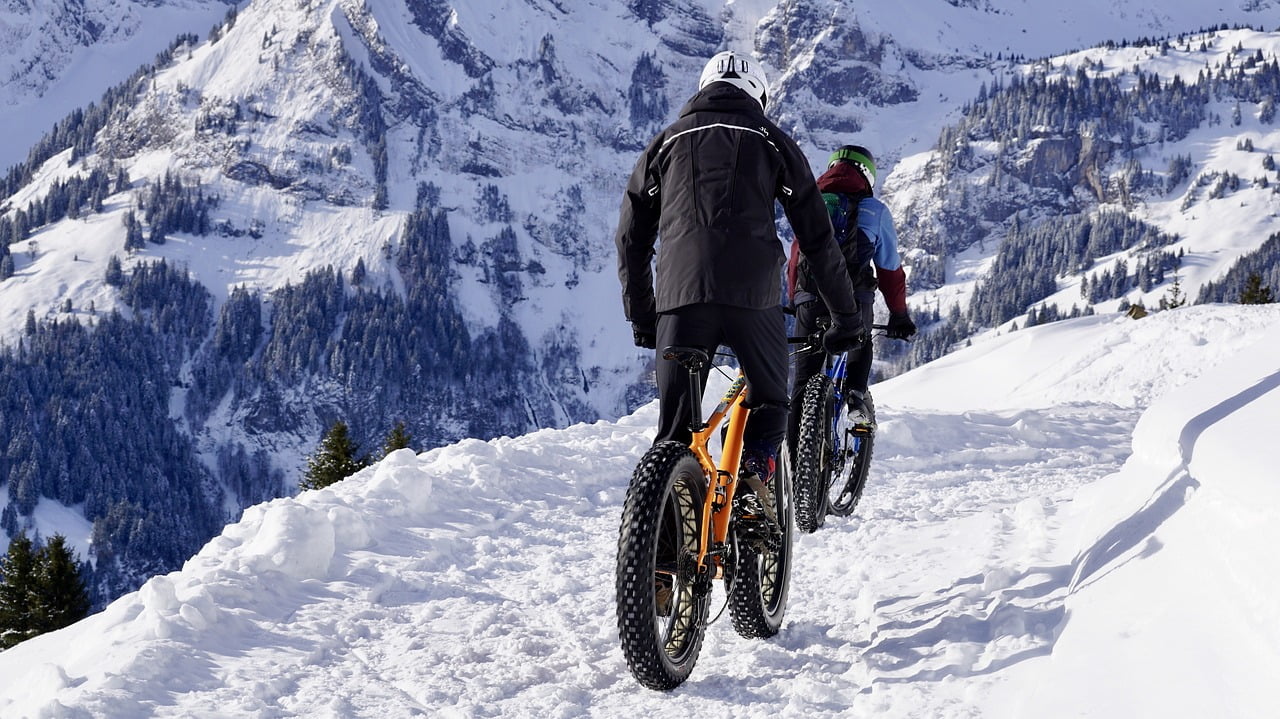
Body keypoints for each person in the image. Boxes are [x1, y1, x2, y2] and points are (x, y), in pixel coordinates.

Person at [614, 51, 865, 501]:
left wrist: (643, 316)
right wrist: (847, 317)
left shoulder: (665, 143)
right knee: (771, 399)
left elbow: (631, 237)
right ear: (759, 96)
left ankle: (661, 548)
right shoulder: (772, 140)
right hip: (753, 297)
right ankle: (754, 480)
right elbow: (817, 240)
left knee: (674, 434)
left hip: (680, 295)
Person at [787, 144, 916, 445]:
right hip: (855, 300)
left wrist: (797, 300)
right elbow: (890, 271)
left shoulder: (811, 204)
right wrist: (899, 315)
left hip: (809, 299)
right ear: (868, 175)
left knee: (803, 386)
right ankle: (856, 395)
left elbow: (795, 258)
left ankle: (793, 471)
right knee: (861, 342)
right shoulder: (875, 211)